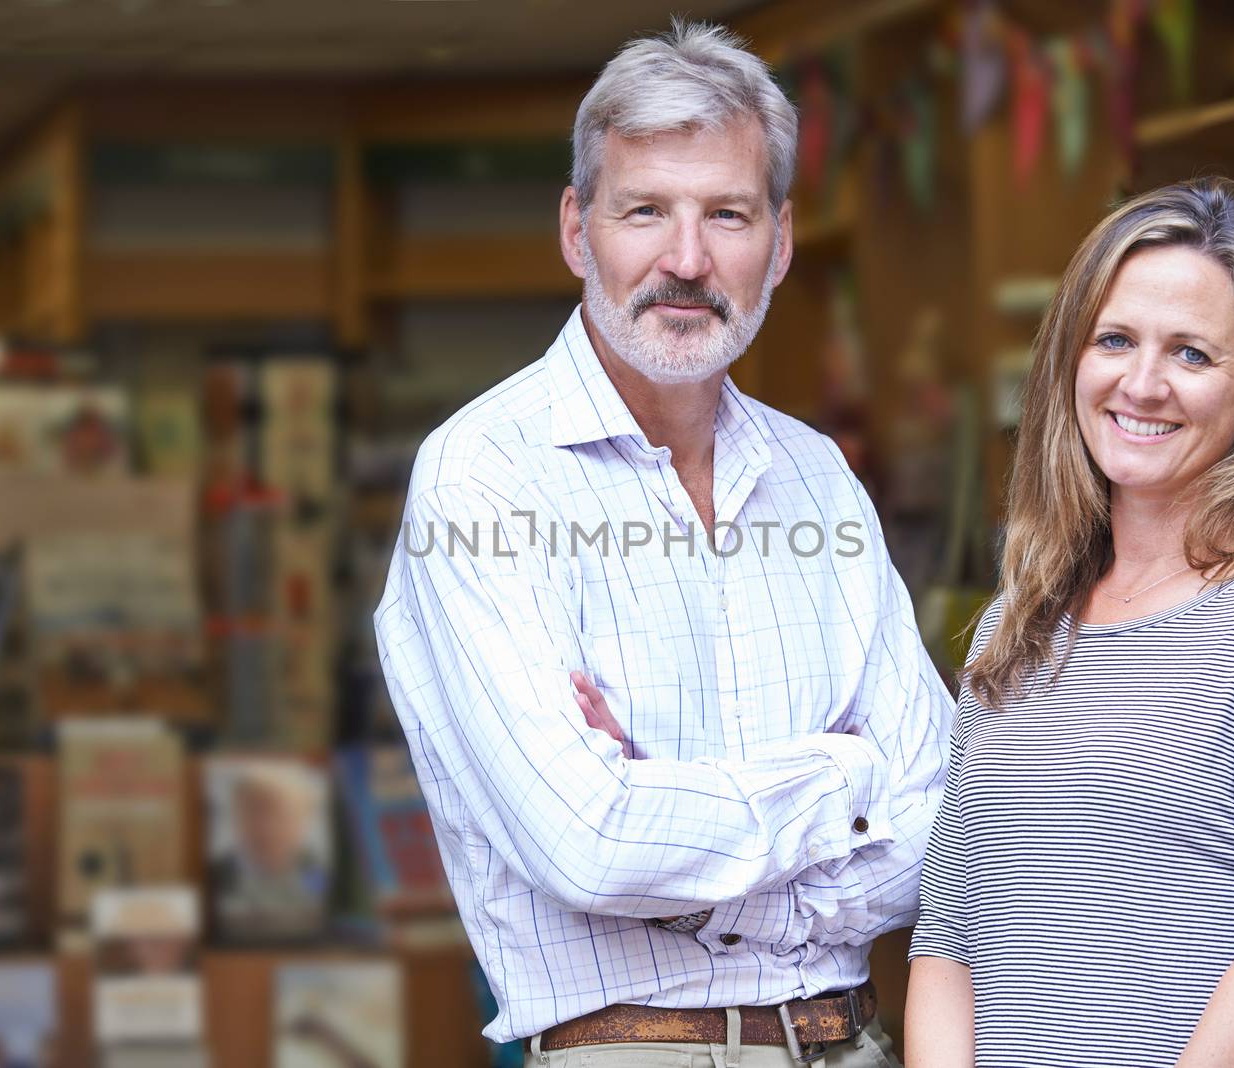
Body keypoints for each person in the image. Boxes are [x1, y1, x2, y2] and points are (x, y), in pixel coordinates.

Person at [374, 20, 953, 1068]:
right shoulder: (481, 477)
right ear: (576, 229)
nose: (685, 262)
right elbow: (589, 845)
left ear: (777, 243)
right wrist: (841, 774)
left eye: (725, 215)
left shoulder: (818, 475)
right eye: (645, 211)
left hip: (852, 1042)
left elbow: (942, 824)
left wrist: (675, 838)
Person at [904, 177, 1234, 1068]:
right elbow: (946, 944)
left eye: (1193, 355)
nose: (1143, 383)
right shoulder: (1016, 625)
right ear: (1071, 365)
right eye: (1115, 340)